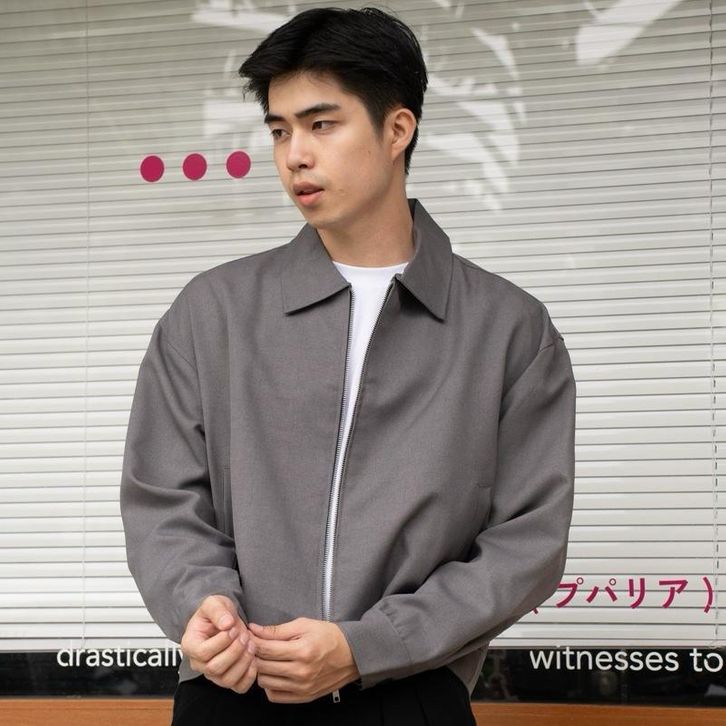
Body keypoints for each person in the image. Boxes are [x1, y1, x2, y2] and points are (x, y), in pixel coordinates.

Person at [119, 6, 577, 725]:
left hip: (408, 696)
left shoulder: (509, 330)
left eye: (321, 124)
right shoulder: (214, 312)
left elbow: (527, 542)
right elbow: (162, 499)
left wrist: (370, 646)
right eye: (280, 130)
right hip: (233, 693)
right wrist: (199, 603)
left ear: (397, 130)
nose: (294, 155)